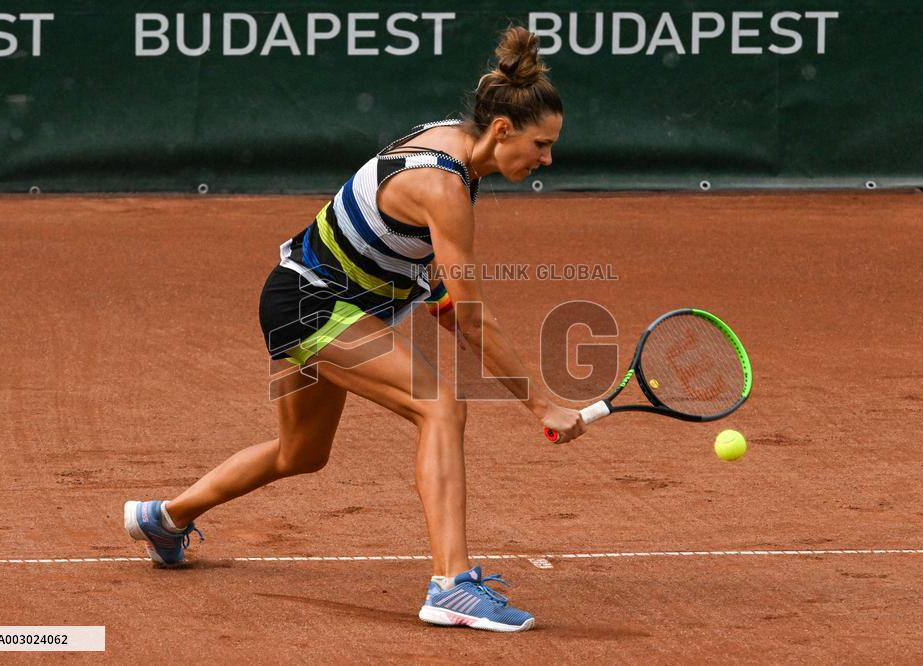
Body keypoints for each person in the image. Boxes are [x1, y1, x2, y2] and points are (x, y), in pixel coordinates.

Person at [124, 25, 584, 633]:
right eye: (541, 144)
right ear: (502, 131)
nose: (547, 158)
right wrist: (540, 403)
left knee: (301, 453)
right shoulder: (444, 188)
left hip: (300, 295)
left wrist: (438, 304)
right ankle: (453, 585)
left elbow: (433, 286)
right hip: (311, 306)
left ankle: (164, 518)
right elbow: (472, 317)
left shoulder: (445, 139)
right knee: (440, 406)